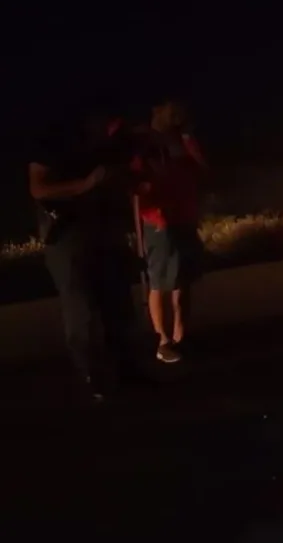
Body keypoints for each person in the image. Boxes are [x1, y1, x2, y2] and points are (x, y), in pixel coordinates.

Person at [27, 109, 142, 401]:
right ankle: (94, 377)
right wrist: (85, 185)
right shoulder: (52, 144)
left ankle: (128, 371)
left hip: (104, 232)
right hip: (68, 236)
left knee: (118, 304)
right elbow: (38, 188)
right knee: (80, 309)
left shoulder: (108, 146)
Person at [133, 98, 207, 363]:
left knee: (183, 280)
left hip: (184, 216)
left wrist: (187, 137)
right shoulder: (144, 142)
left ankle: (181, 336)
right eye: (170, 108)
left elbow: (201, 169)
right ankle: (162, 340)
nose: (177, 113)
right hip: (159, 220)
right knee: (161, 280)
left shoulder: (182, 140)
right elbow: (136, 180)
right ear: (156, 109)